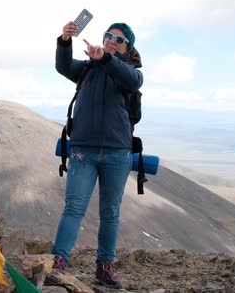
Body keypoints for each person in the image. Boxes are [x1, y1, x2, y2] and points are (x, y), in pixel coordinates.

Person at [51, 21, 143, 289]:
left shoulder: (131, 73)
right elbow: (64, 67)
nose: (112, 40)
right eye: (108, 36)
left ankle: (104, 266)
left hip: (117, 152)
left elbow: (130, 80)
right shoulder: (87, 69)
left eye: (119, 39)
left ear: (128, 48)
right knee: (74, 207)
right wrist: (64, 41)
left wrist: (104, 59)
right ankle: (58, 261)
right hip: (83, 150)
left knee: (110, 213)